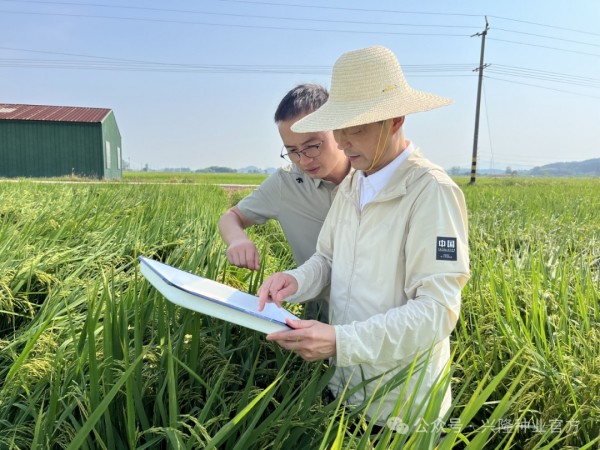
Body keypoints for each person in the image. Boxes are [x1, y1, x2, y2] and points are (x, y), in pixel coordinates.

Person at [257, 46, 470, 428]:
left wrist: (342, 342)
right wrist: (296, 281)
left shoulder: (430, 192)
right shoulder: (354, 184)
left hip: (401, 407)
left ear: (395, 120)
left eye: (354, 128)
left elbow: (437, 311)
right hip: (344, 386)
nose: (342, 141)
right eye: (338, 128)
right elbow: (327, 259)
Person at [218, 84, 350, 322]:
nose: (304, 160)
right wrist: (237, 240)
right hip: (319, 319)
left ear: (338, 129)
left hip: (380, 321)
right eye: (292, 151)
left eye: (312, 146)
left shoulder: (369, 177)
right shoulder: (286, 183)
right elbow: (231, 217)